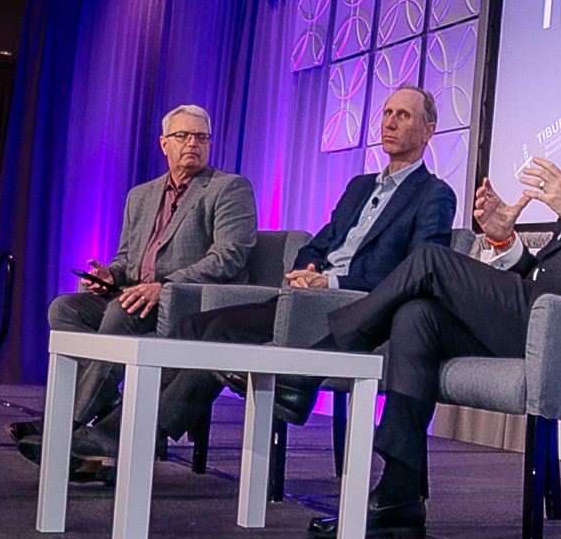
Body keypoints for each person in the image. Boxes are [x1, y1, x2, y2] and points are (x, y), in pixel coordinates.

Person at [308, 69, 561, 539]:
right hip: (540, 319)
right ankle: (399, 495)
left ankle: (315, 363)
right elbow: (541, 276)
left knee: (431, 261)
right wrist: (505, 240)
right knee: (416, 316)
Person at [143, 84, 458, 444]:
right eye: (387, 113)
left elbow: (415, 272)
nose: (390, 123)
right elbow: (319, 243)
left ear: (428, 131)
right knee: (192, 325)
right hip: (307, 299)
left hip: (357, 312)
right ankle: (135, 426)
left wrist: (333, 283)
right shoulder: (360, 186)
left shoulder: (434, 194)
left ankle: (143, 435)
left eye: (403, 115)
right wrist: (308, 272)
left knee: (219, 334)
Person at [9, 103, 256, 473]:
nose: (193, 143)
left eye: (201, 137)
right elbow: (127, 258)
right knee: (64, 308)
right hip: (138, 295)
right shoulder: (141, 195)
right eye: (183, 136)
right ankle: (104, 404)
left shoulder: (228, 188)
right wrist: (110, 275)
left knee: (121, 310)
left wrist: (165, 286)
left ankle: (66, 424)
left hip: (189, 302)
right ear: (164, 143)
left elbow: (228, 258)